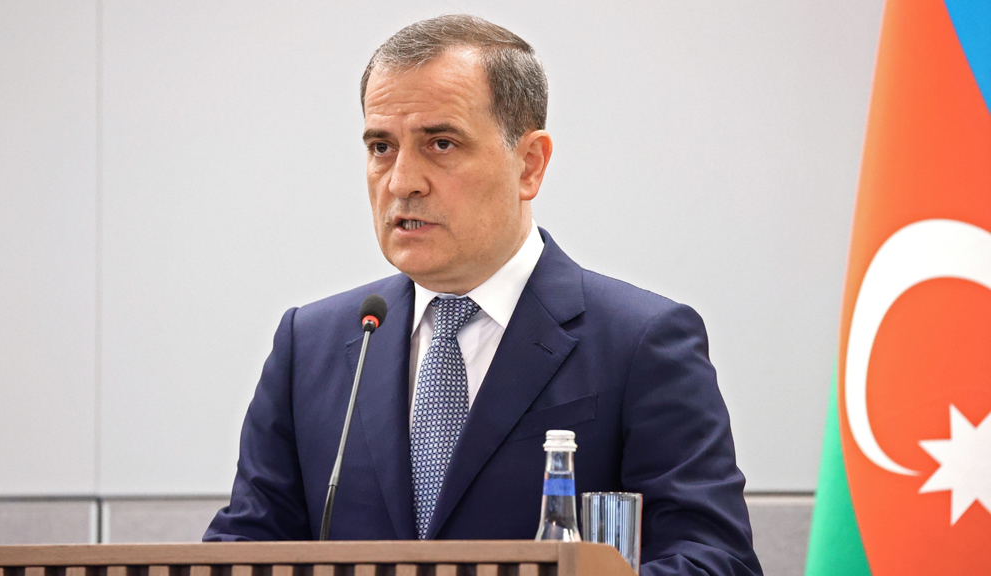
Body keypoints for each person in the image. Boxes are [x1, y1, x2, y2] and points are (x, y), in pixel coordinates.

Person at [205, 14, 762, 576]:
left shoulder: (641, 342)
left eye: (441, 144)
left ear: (529, 164)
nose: (401, 181)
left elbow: (714, 561)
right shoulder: (311, 344)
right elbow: (243, 548)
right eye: (381, 146)